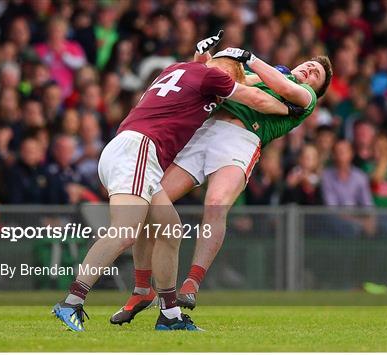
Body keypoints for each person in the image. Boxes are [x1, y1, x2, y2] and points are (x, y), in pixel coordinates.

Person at [52, 32, 296, 332]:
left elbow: (205, 78)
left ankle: (169, 315)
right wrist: (291, 108)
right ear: (231, 71)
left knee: (170, 229)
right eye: (237, 75)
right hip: (140, 150)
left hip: (128, 148)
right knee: (125, 231)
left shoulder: (177, 68)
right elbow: (254, 96)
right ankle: (72, 301)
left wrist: (204, 59)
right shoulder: (216, 78)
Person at [110, 48, 332, 324]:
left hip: (242, 139)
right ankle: (142, 289)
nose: (309, 71)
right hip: (205, 130)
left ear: (315, 89)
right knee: (151, 202)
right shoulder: (265, 75)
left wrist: (248, 57)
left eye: (316, 75)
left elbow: (282, 86)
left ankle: (192, 282)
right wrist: (204, 60)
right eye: (310, 64)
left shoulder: (303, 96)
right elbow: (225, 80)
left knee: (216, 204)